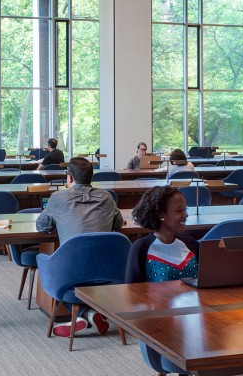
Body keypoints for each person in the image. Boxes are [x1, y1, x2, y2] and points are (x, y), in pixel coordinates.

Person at [35, 156, 122, 337]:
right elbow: (118, 224)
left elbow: (42, 226)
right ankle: (90, 313)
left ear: (69, 178)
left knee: (56, 274)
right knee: (84, 270)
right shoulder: (107, 197)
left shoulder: (57, 198)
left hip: (72, 273)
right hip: (108, 271)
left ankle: (83, 313)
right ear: (92, 177)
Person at [126, 186, 200, 374]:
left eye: (185, 209)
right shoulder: (141, 248)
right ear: (161, 214)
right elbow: (131, 296)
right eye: (179, 211)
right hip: (161, 326)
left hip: (197, 319)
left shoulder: (191, 245)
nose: (185, 215)